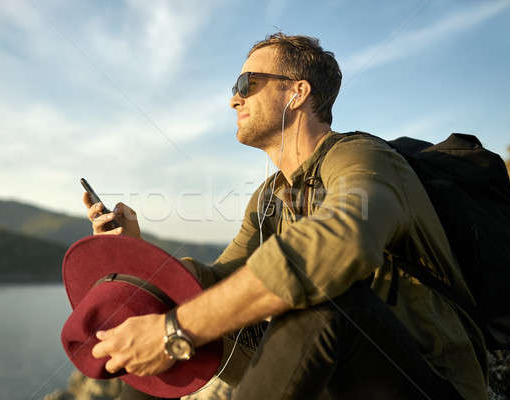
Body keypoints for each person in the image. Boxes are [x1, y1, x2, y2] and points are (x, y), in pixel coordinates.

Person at [82, 33, 489, 399]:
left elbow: (342, 242)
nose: (233, 99)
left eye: (247, 84)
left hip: (425, 381)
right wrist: (138, 258)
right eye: (234, 88)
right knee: (169, 305)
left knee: (326, 300)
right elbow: (217, 280)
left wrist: (175, 332)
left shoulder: (363, 157)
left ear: (296, 93)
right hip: (331, 376)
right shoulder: (269, 197)